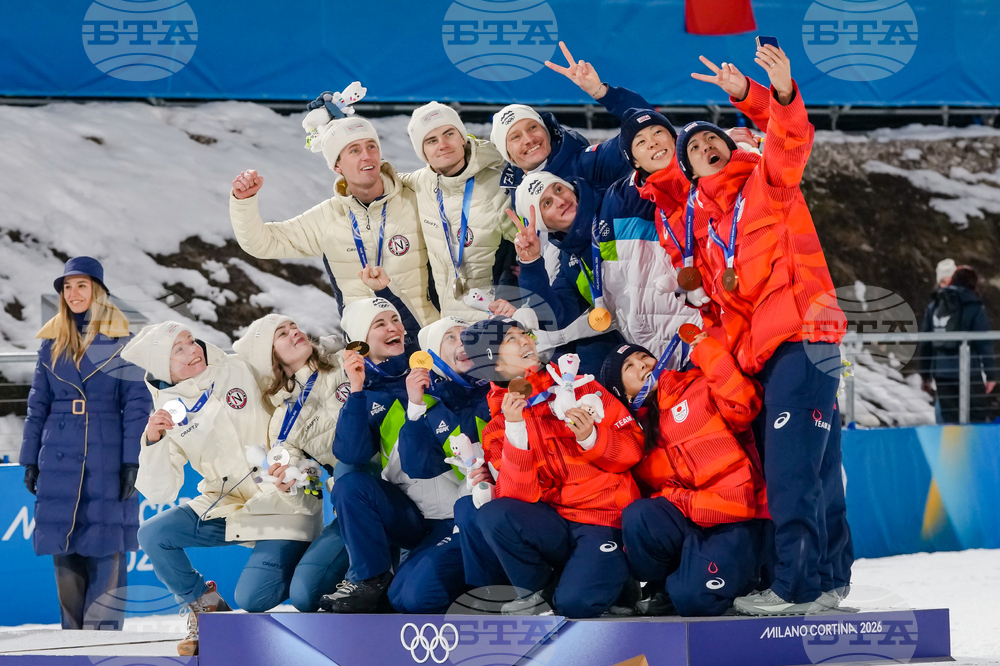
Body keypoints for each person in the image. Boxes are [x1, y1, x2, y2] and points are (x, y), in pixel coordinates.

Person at [650, 46, 850, 615]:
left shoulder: (768, 185)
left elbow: (790, 137)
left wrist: (769, 92)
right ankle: (831, 578)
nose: (705, 146)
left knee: (789, 472)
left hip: (806, 335)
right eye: (693, 148)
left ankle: (794, 588)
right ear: (687, 169)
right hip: (772, 353)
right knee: (818, 470)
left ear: (730, 143)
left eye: (712, 137)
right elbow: (729, 304)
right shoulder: (704, 231)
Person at [123, 321, 318, 656]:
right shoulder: (165, 414)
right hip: (226, 503)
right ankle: (208, 608)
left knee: (255, 598)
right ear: (161, 367)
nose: (192, 349)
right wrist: (153, 441)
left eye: (190, 340)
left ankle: (315, 566)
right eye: (178, 350)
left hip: (280, 497)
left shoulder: (237, 367)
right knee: (153, 535)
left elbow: (293, 383)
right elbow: (160, 493)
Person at [456, 316, 644, 617]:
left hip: (603, 518)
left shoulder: (583, 388)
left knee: (576, 604)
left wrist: (591, 438)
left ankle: (613, 578)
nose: (526, 341)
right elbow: (519, 499)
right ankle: (538, 593)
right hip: (554, 524)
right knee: (493, 513)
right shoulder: (497, 428)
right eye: (512, 340)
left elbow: (633, 452)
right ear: (495, 365)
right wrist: (516, 433)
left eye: (525, 335)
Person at [19, 257, 151, 631]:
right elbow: (36, 405)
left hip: (105, 455)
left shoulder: (124, 343)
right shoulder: (51, 345)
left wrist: (132, 462)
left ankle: (103, 644)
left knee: (106, 550)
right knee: (64, 553)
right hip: (58, 454)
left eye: (81, 285)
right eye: (67, 287)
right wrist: (30, 459)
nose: (73, 293)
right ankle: (71, 644)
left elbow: (137, 406)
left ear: (98, 290)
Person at [599, 330, 769, 616]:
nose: (642, 364)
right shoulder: (633, 438)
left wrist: (709, 352)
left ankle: (738, 576)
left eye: (643, 357)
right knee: (638, 515)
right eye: (629, 366)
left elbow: (744, 404)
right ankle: (666, 581)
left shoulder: (697, 386)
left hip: (735, 518)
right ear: (621, 393)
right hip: (692, 521)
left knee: (692, 600)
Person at [319, 269, 453, 613]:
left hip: (456, 509)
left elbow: (418, 331)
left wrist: (387, 291)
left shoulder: (432, 370)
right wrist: (358, 391)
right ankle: (370, 577)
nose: (393, 327)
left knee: (409, 601)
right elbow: (350, 452)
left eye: (395, 320)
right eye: (380, 324)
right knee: (349, 485)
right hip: (410, 515)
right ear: (362, 341)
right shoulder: (366, 391)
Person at [229, 115, 439, 327]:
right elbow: (262, 243)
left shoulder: (416, 198)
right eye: (354, 150)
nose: (367, 156)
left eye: (371, 146)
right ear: (337, 165)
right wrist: (243, 201)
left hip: (428, 337)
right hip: (370, 348)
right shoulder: (327, 218)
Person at [232, 314, 350, 612]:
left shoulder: (343, 362)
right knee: (305, 595)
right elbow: (310, 488)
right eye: (282, 334)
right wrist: (291, 484)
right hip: (351, 503)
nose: (294, 332)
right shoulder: (283, 419)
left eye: (293, 326)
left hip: (395, 479)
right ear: (272, 359)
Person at [383, 315, 494, 613]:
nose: (463, 342)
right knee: (399, 596)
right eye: (451, 338)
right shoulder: (434, 402)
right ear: (433, 355)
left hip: (492, 513)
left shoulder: (498, 387)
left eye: (467, 335)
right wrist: (416, 408)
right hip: (453, 518)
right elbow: (420, 467)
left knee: (420, 597)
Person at [491, 42, 653, 209]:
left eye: (533, 127)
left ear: (546, 131)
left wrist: (601, 92)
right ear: (508, 154)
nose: (528, 139)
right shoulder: (515, 191)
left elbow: (649, 128)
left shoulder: (589, 163)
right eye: (515, 137)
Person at [403, 102, 518, 319]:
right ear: (423, 152)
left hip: (490, 317)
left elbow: (530, 247)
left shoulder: (497, 184)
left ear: (462, 137)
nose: (443, 144)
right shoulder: (420, 182)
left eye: (449, 134)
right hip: (444, 322)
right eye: (431, 140)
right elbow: (379, 181)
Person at [508, 173, 627, 375]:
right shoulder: (571, 259)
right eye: (547, 203)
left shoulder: (616, 204)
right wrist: (530, 262)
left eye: (558, 189)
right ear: (544, 225)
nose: (561, 201)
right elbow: (552, 316)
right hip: (646, 340)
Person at [918, 266, 997, 423]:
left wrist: (925, 375)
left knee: (950, 421)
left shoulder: (935, 304)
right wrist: (991, 375)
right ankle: (974, 448)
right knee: (977, 418)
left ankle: (953, 448)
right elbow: (984, 343)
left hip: (941, 372)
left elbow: (926, 342)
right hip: (969, 371)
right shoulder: (973, 305)